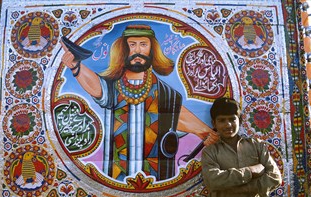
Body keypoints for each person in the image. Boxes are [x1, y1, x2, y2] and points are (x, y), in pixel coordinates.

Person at [61, 24, 218, 181]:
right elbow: (96, 87)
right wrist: (75, 66)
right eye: (132, 45)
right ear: (124, 49)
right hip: (116, 177)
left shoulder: (165, 93)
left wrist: (206, 133)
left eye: (143, 44)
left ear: (152, 49)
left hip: (156, 177)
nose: (137, 50)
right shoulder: (113, 87)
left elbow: (177, 116)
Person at [201, 97, 282, 197]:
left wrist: (240, 187)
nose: (228, 125)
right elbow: (212, 181)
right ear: (214, 124)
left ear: (240, 120)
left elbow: (275, 178)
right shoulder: (211, 152)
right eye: (222, 120)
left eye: (232, 119)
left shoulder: (257, 146)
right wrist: (250, 171)